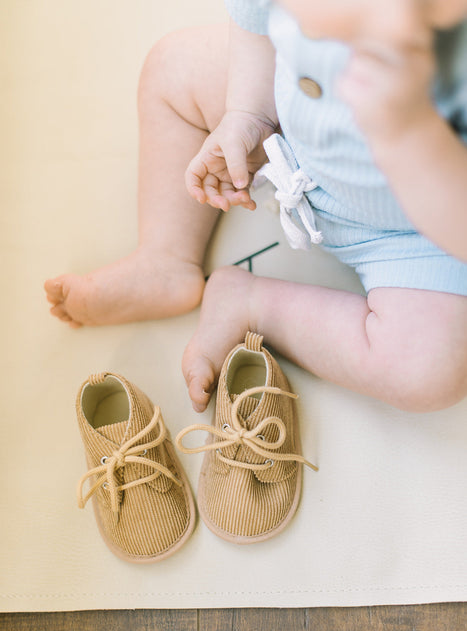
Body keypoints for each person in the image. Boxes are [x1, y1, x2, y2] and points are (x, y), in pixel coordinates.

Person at [45, 0, 467, 413]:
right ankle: (164, 258)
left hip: (410, 232)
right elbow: (254, 20)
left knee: (426, 370)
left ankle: (253, 305)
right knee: (171, 65)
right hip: (285, 129)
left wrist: (416, 139)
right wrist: (246, 113)